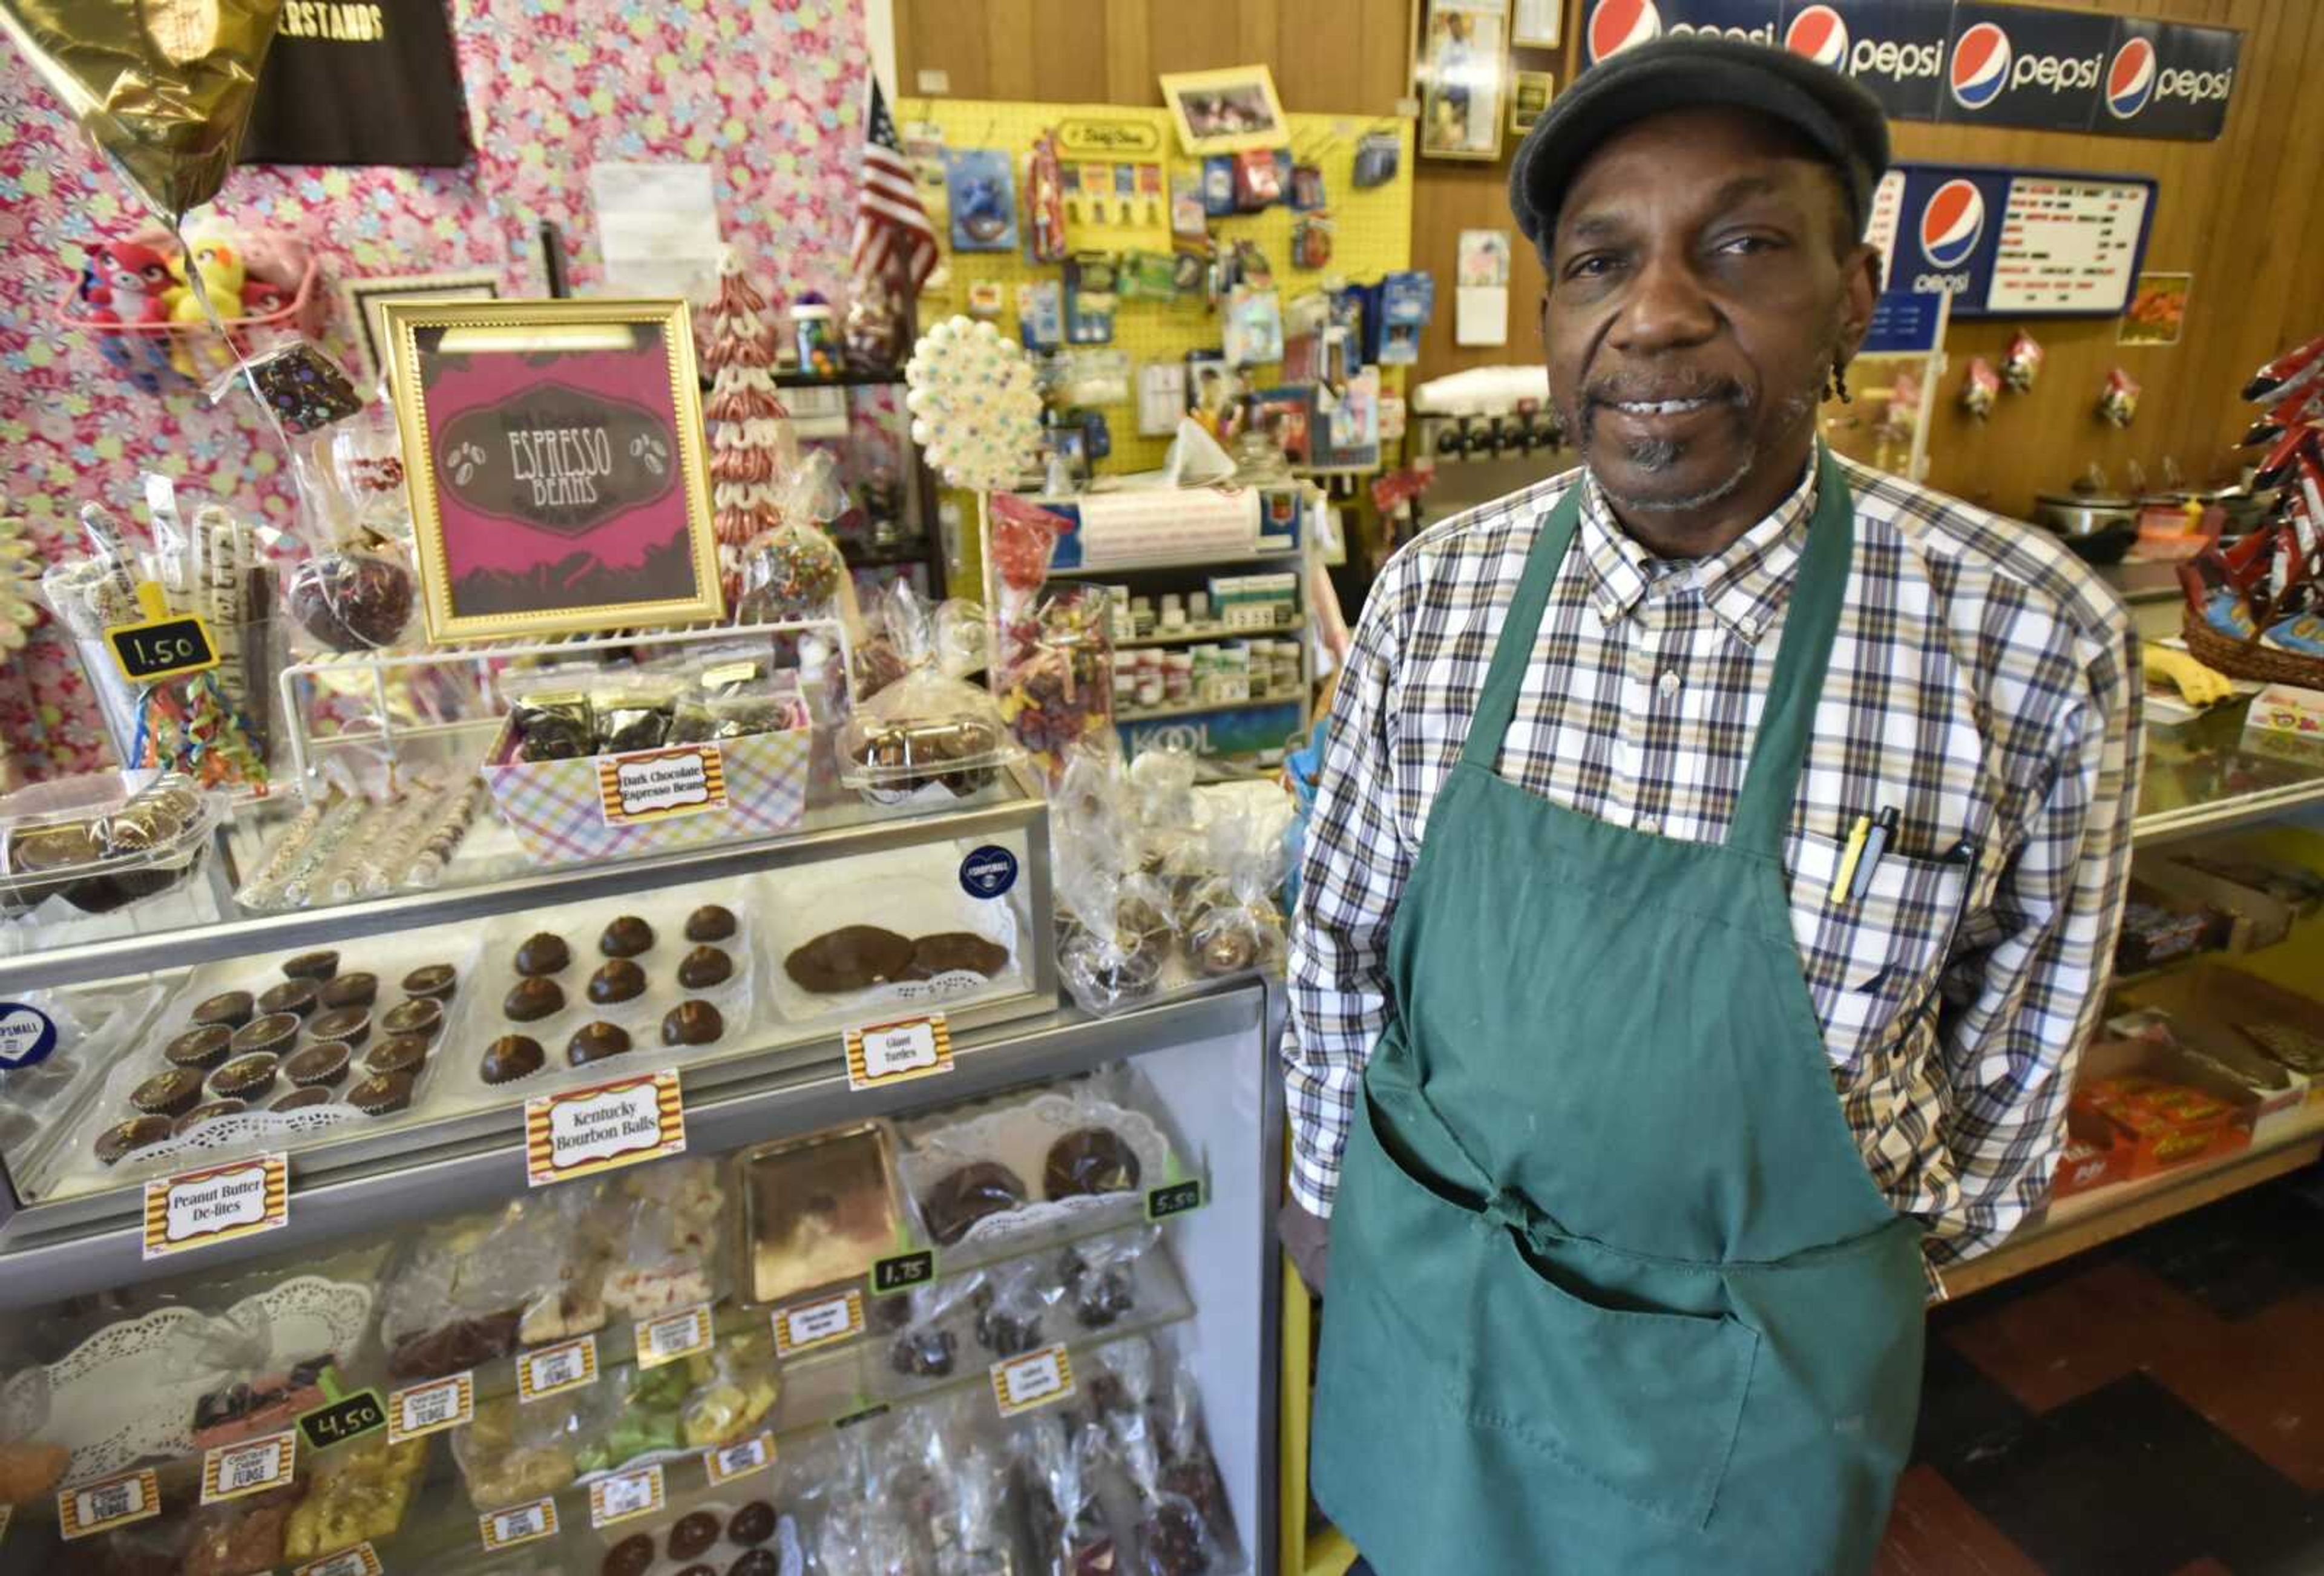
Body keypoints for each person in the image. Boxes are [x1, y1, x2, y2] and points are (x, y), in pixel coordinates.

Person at [1282, 37, 2140, 1576]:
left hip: (1749, 1382)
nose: (1658, 313)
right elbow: (1337, 937)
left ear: (1851, 295)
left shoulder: (2025, 638)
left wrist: (1812, 1283)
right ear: (1557, 324)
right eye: (1602, 260)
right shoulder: (1436, 595)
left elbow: (2015, 1070)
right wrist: (1349, 1216)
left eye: (1743, 245)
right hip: (1434, 1312)